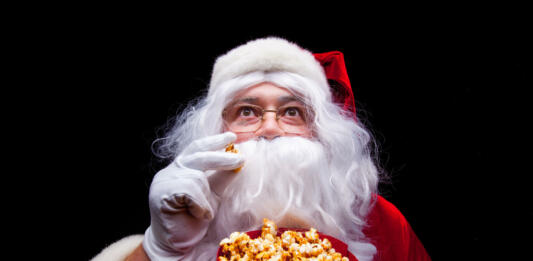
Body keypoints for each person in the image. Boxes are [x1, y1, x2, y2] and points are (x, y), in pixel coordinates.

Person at [91, 37, 431, 261]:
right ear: (216, 130)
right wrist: (157, 249)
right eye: (247, 112)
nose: (270, 129)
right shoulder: (178, 214)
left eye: (292, 112)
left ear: (322, 132)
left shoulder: (383, 222)